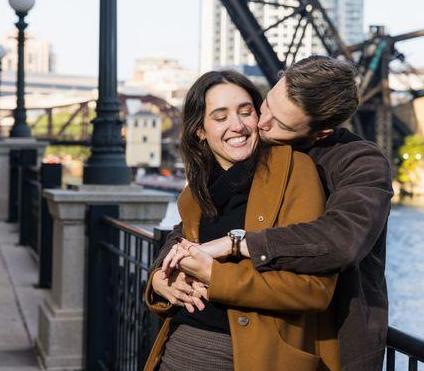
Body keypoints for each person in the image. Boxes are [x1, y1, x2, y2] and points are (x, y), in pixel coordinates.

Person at [156, 55, 393, 371]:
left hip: (324, 340)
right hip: (205, 343)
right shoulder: (248, 155)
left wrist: (236, 244)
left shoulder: (359, 163)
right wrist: (160, 276)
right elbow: (192, 223)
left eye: (280, 123)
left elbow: (341, 241)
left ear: (320, 133)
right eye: (265, 106)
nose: (260, 124)